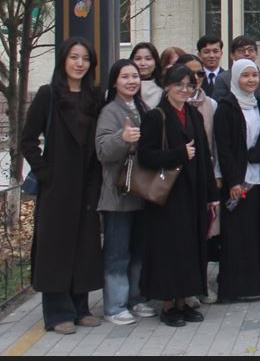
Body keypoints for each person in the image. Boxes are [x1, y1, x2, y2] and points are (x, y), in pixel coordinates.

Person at [20, 37, 104, 335]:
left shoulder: (94, 97)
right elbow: (27, 140)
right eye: (74, 57)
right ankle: (57, 313)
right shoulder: (49, 95)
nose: (79, 63)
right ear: (63, 61)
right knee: (55, 248)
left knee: (84, 246)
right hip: (57, 186)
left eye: (85, 59)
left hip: (87, 183)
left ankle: (81, 308)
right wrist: (46, 173)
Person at [138, 65, 219, 327]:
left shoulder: (193, 114)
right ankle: (169, 304)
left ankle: (185, 300)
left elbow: (204, 155)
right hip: (168, 196)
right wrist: (178, 154)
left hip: (193, 191)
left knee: (191, 247)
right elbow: (145, 155)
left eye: (189, 85)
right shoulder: (156, 116)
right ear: (167, 86)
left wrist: (210, 193)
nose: (184, 90)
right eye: (178, 85)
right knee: (169, 249)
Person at [95, 59, 156, 325]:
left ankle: (137, 297)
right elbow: (102, 150)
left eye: (135, 76)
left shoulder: (142, 107)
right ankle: (115, 305)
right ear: (114, 81)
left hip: (141, 192)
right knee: (117, 252)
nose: (131, 81)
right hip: (118, 194)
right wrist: (123, 138)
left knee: (139, 249)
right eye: (125, 77)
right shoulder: (110, 111)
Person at [213, 59, 260, 301]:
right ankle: (234, 288)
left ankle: (253, 285)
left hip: (256, 178)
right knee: (236, 235)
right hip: (237, 180)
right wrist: (233, 180)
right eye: (245, 76)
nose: (251, 80)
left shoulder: (259, 105)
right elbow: (223, 147)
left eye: (254, 75)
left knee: (253, 232)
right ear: (235, 78)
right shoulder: (226, 107)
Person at [175, 54, 221, 305]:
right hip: (175, 183)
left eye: (199, 75)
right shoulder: (165, 106)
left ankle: (199, 285)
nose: (194, 80)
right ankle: (178, 294)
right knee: (181, 238)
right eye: (189, 75)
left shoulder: (209, 105)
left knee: (202, 236)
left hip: (203, 178)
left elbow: (212, 144)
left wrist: (216, 177)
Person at [211, 35, 260, 101]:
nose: (247, 54)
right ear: (232, 55)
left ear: (256, 53)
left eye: (251, 50)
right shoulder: (223, 79)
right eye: (241, 51)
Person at [130, 41, 163, 108]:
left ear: (156, 62)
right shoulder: (122, 87)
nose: (142, 63)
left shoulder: (163, 91)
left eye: (148, 59)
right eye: (138, 59)